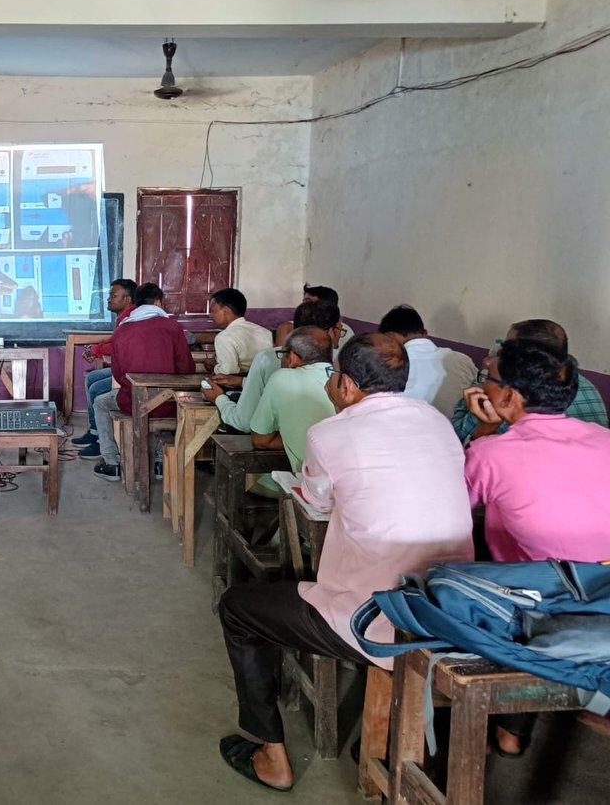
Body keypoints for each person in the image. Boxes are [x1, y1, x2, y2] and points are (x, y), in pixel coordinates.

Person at [217, 333, 474, 792]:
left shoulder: (331, 433)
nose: (331, 386)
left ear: (349, 385)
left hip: (374, 616)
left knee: (238, 607)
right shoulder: (437, 423)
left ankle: (271, 754)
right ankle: (380, 742)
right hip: (450, 609)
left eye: (334, 377)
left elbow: (317, 501)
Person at [463, 337, 610, 757]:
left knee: (486, 574)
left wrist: (486, 428)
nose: (483, 385)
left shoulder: (492, 453)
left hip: (538, 605)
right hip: (604, 595)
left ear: (508, 395)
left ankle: (510, 729)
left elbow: (454, 505)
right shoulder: (604, 438)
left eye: (487, 379)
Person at [88, 284, 194, 482]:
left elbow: (118, 375)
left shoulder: (123, 329)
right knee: (179, 401)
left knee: (100, 403)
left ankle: (112, 464)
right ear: (159, 302)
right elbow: (186, 370)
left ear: (135, 303)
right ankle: (160, 462)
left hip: (133, 402)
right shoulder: (173, 327)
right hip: (169, 404)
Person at [451, 318, 607, 442]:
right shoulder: (587, 386)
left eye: (508, 348)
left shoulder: (508, 392)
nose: (501, 352)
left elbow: (456, 441)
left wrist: (488, 378)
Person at [207, 300, 341, 434]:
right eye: (339, 329)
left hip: (277, 441)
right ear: (332, 331)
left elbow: (244, 422)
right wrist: (242, 382)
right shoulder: (342, 362)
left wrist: (219, 399)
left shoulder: (269, 359)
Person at [248, 327, 335, 475]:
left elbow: (260, 440)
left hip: (312, 485)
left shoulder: (281, 378)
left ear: (293, 358)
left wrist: (295, 437)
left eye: (283, 354)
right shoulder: (343, 380)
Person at [70, 278, 137, 457]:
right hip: (128, 371)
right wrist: (96, 349)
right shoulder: (124, 318)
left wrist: (96, 350)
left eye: (113, 295)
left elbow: (117, 346)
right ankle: (94, 432)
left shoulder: (131, 317)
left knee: (96, 389)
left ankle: (102, 442)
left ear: (127, 299)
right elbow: (114, 341)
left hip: (132, 375)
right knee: (92, 378)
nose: (108, 299)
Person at [377, 304, 477, 415]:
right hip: (456, 431)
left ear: (389, 336)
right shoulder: (462, 360)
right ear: (425, 333)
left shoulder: (391, 365)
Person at [208, 288, 272, 383]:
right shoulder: (265, 332)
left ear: (225, 311)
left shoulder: (224, 337)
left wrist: (213, 365)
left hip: (240, 390)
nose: (211, 315)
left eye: (213, 311)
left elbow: (227, 373)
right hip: (265, 384)